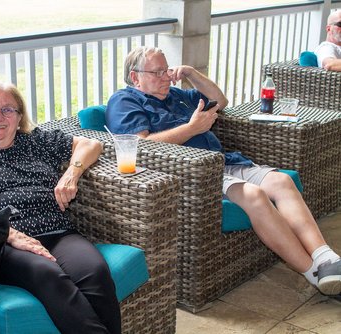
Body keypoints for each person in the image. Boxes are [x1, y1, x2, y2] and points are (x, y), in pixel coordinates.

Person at [106, 46, 341, 296]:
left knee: (281, 181)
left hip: (224, 162)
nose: (165, 77)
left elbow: (221, 100)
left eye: (166, 70)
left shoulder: (177, 94)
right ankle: (315, 273)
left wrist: (191, 72)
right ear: (135, 77)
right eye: (157, 72)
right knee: (254, 195)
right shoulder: (124, 100)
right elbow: (138, 146)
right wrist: (191, 128)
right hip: (193, 174)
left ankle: (325, 258)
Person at [0, 81, 121, 334]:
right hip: (1, 243)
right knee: (47, 274)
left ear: (19, 119)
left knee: (94, 271)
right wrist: (12, 235)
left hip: (57, 232)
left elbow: (91, 145)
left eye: (9, 110)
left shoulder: (33, 142)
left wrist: (70, 175)